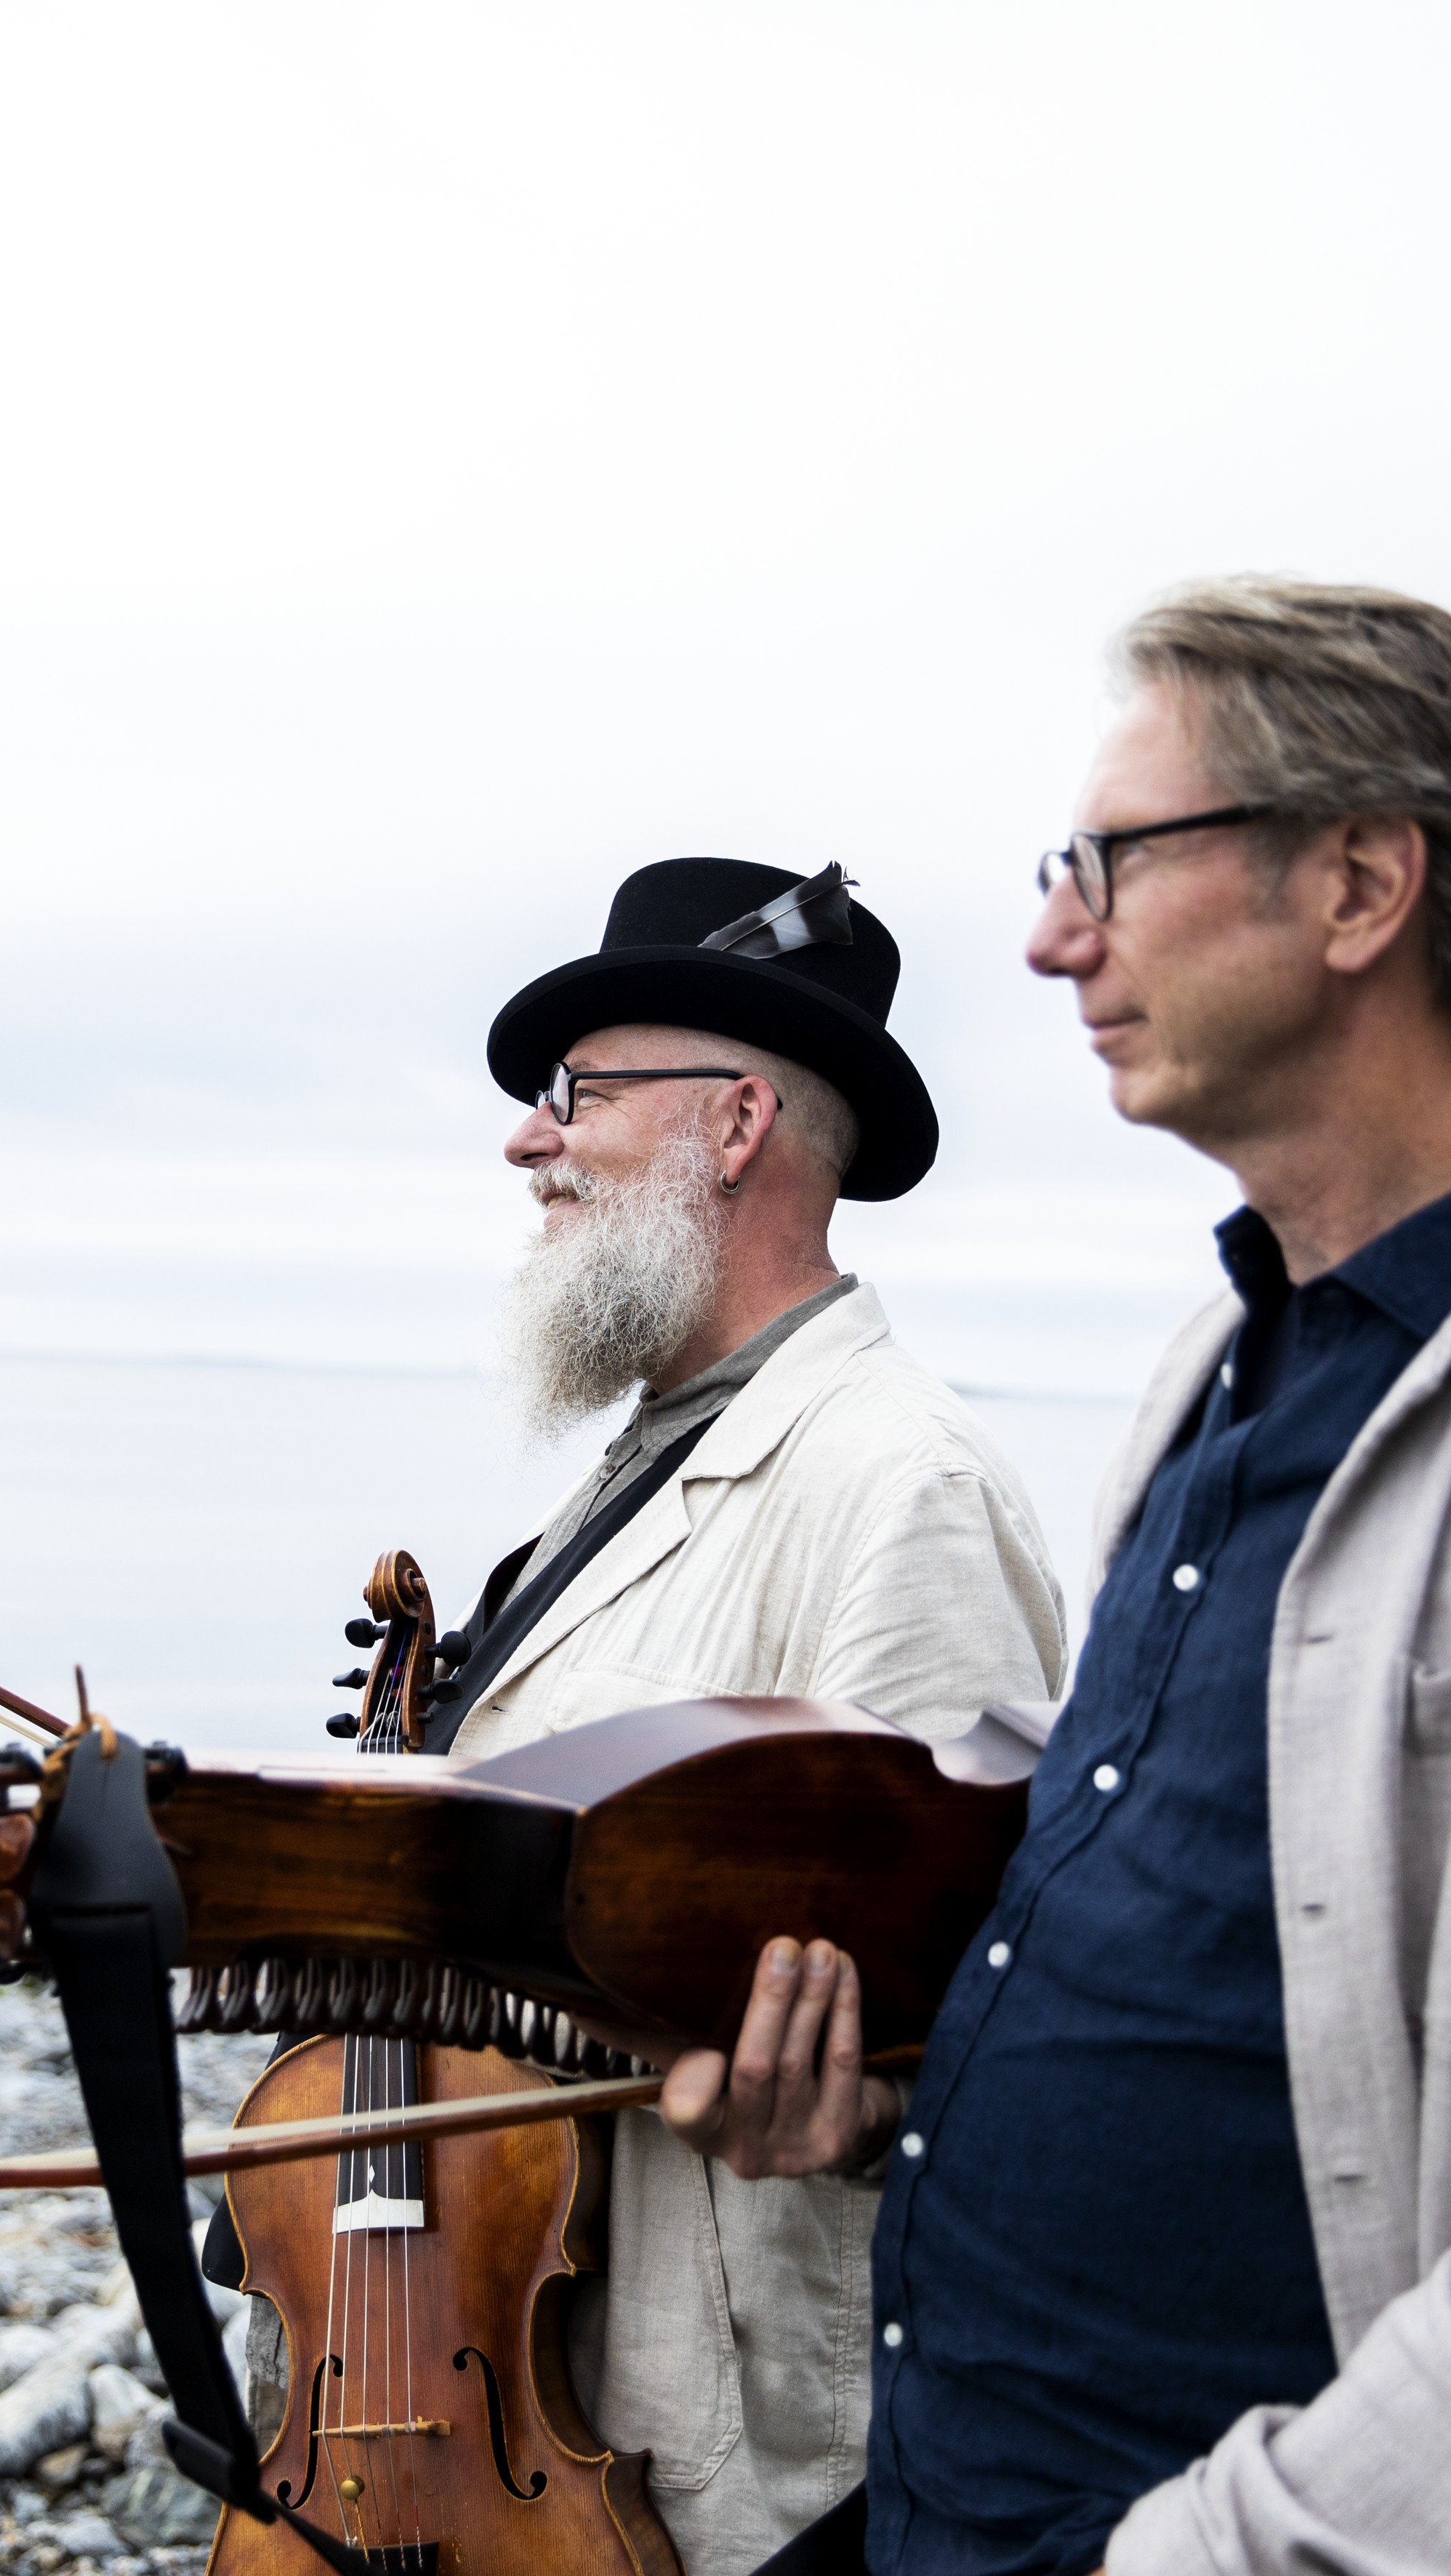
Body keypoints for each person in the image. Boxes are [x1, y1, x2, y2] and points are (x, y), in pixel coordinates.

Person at [662, 582, 1451, 2576]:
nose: (1046, 932)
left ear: (1356, 885)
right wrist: (893, 2111)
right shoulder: (1223, 1372)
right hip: (941, 2512)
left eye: (1109, 860)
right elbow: (1235, 2001)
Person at [432, 856, 1072, 2574]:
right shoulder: (635, 1463)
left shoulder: (902, 1485)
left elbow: (992, 2040)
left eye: (576, 1093)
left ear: (732, 1126)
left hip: (741, 2485)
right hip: (548, 2399)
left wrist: (854, 2109)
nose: (526, 1140)